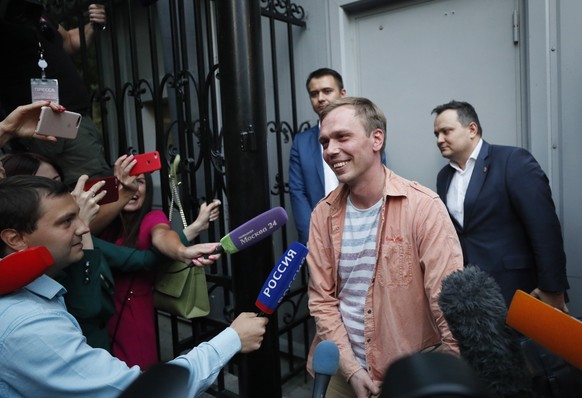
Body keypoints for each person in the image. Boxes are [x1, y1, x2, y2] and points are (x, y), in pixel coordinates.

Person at [0, 175, 268, 397]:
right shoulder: (29, 325)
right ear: (15, 238)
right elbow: (144, 391)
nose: (83, 228)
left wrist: (182, 246)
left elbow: (156, 244)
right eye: (66, 221)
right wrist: (231, 340)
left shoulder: (36, 292)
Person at [307, 97, 463, 398]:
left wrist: (452, 372)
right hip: (342, 369)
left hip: (410, 371)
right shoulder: (322, 215)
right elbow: (322, 301)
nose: (331, 150)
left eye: (342, 137)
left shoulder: (422, 207)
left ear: (376, 138)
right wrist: (352, 370)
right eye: (325, 142)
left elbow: (448, 301)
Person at [431, 100, 569, 309]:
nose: (440, 139)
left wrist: (552, 288)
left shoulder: (512, 161)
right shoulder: (444, 177)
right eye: (436, 134)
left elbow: (545, 228)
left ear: (472, 129)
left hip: (518, 289)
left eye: (446, 131)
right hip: (471, 297)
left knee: (528, 343)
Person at [101, 169, 221, 369]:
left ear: (147, 190)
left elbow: (163, 236)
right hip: (104, 311)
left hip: (133, 314)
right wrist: (195, 228)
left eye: (139, 181)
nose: (132, 187)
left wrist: (181, 250)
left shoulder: (152, 217)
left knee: (137, 374)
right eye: (125, 182)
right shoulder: (104, 222)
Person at [0, 0, 111, 185]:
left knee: (82, 191)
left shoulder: (38, 14)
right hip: (46, 126)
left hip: (71, 118)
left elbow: (69, 41)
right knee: (94, 187)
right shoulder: (8, 16)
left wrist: (93, 25)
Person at [289, 68, 347, 244]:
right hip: (318, 235)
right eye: (314, 94)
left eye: (327, 91)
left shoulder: (363, 133)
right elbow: (297, 192)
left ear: (342, 94)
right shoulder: (301, 143)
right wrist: (311, 239)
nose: (320, 98)